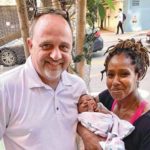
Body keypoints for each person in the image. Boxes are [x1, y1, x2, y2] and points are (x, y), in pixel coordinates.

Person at [0, 8, 87, 150]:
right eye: (47, 45)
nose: (56, 56)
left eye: (64, 47)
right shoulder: (5, 88)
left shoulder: (78, 86)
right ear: (30, 45)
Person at [77, 38, 150, 150]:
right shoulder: (107, 98)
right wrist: (88, 136)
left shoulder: (146, 124)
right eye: (110, 75)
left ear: (138, 75)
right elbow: (76, 113)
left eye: (124, 74)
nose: (115, 82)